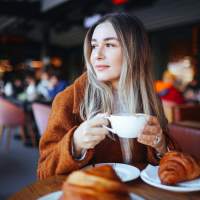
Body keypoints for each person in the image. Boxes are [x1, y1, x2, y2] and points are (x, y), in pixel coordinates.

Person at [37, 13, 173, 180]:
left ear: (134, 52)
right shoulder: (68, 100)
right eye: (94, 46)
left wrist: (161, 146)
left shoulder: (148, 99)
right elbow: (44, 172)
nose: (96, 55)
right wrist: (75, 144)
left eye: (109, 44)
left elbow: (172, 167)